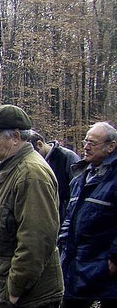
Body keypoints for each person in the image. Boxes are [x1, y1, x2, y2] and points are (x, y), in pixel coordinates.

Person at [0, 104, 63, 308]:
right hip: (3, 288)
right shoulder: (11, 168)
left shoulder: (31, 174)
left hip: (25, 298)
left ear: (15, 137)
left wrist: (15, 289)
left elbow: (37, 239)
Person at [59, 121, 117, 308]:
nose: (86, 147)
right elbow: (70, 215)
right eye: (86, 141)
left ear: (111, 147)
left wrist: (114, 259)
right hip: (76, 263)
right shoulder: (81, 175)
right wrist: (63, 243)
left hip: (105, 267)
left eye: (93, 143)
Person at [27, 130, 80, 226]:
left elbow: (77, 192)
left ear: (39, 144)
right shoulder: (32, 164)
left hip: (63, 220)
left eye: (32, 154)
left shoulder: (67, 157)